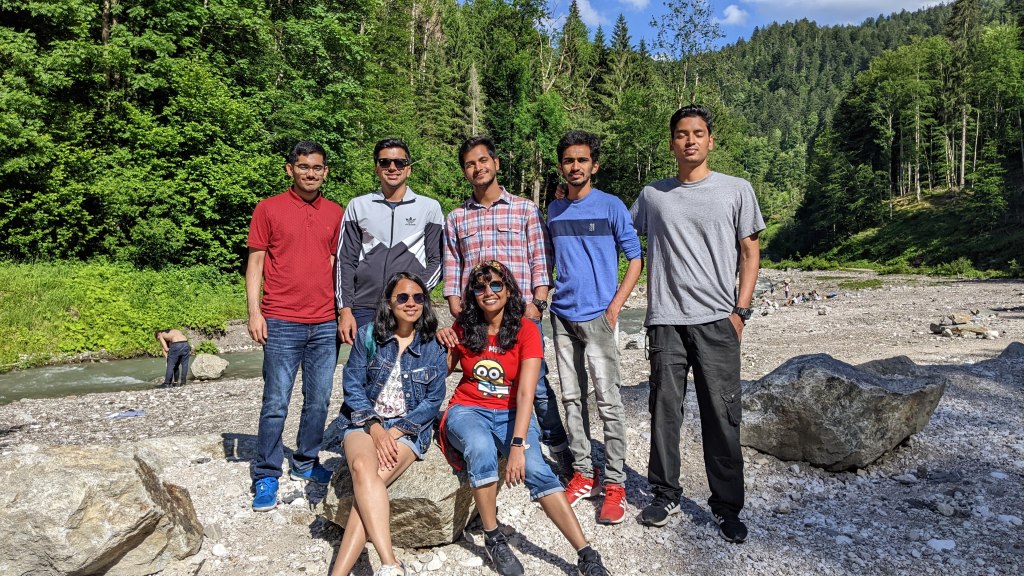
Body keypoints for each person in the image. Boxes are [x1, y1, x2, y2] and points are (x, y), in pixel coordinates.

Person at [630, 105, 765, 543]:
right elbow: (622, 236)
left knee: (722, 415)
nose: (690, 140)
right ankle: (665, 493)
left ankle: (727, 507)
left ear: (710, 140)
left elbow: (750, 252)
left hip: (717, 321)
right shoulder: (653, 195)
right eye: (681, 134)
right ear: (671, 143)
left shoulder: (736, 190)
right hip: (665, 321)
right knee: (664, 411)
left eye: (698, 133)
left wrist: (740, 312)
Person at [438, 261, 609, 576]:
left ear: (509, 290)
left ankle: (586, 554)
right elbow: (442, 372)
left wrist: (517, 445)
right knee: (480, 448)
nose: (488, 292)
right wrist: (443, 339)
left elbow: (527, 393)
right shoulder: (464, 327)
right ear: (472, 294)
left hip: (512, 412)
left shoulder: (526, 330)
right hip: (468, 408)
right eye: (480, 287)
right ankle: (493, 537)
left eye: (496, 285)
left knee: (537, 469)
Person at [443, 135, 571, 470]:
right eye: (470, 164)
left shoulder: (524, 209)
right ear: (464, 171)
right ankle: (490, 437)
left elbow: (541, 257)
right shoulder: (456, 217)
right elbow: (452, 263)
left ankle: (559, 449)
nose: (477, 168)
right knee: (481, 376)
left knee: (536, 385)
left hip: (520, 315)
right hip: (477, 315)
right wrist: (455, 303)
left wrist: (538, 303)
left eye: (483, 160)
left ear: (496, 163)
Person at [547, 131, 643, 525]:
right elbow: (550, 258)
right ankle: (585, 473)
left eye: (582, 160)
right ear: (561, 166)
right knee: (572, 398)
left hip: (600, 318)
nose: (575, 166)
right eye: (569, 160)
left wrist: (615, 307)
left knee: (608, 400)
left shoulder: (611, 206)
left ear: (594, 165)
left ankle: (616, 483)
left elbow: (635, 258)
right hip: (561, 315)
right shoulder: (554, 209)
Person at [246, 140, 345, 512]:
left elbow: (337, 265)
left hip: (325, 322)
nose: (310, 173)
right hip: (281, 319)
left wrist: (343, 311)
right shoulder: (268, 208)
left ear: (325, 172)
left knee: (318, 400)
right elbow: (256, 263)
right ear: (290, 169)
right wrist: (254, 313)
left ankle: (305, 461)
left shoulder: (335, 212)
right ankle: (267, 472)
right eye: (303, 166)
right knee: (276, 402)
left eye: (317, 167)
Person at [329, 272, 447, 576]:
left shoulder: (433, 346)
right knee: (362, 469)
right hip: (364, 420)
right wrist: (376, 427)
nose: (411, 303)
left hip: (407, 428)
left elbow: (432, 401)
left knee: (368, 489)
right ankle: (390, 562)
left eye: (418, 297)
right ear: (389, 302)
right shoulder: (369, 335)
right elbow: (352, 384)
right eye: (403, 297)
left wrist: (395, 431)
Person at [335, 138, 445, 344]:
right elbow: (345, 261)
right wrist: (345, 309)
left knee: (409, 362)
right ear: (376, 168)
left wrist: (415, 293)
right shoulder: (358, 206)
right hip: (364, 306)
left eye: (400, 163)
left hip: (409, 307)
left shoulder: (429, 208)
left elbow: (438, 260)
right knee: (364, 363)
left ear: (409, 169)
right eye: (384, 162)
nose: (392, 167)